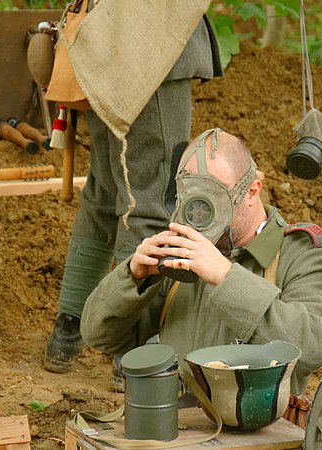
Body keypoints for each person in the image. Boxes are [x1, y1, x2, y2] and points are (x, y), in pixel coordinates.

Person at [80, 128, 322, 397]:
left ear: (252, 192)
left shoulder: (300, 253)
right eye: (191, 195)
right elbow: (100, 336)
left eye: (213, 197)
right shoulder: (181, 255)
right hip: (177, 427)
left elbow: (315, 344)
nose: (200, 215)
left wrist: (225, 277)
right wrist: (134, 277)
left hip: (258, 430)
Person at [43, 11, 222, 374]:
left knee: (105, 189)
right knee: (151, 197)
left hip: (102, 40)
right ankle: (135, 343)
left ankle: (69, 324)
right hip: (153, 43)